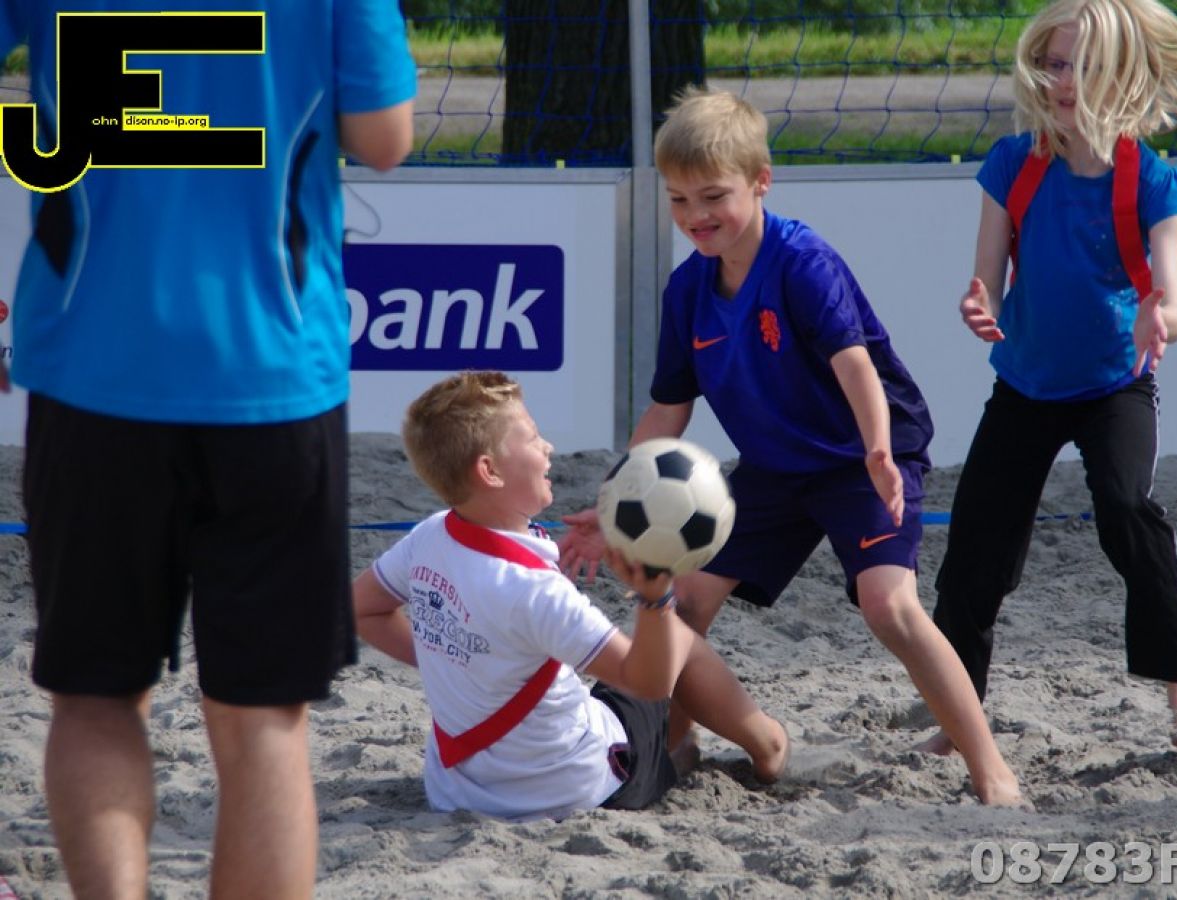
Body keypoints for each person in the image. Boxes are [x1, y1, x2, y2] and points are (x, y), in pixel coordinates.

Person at [1, 2, 415, 898]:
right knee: (262, 718)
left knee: (95, 696)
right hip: (269, 369)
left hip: (95, 366)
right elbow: (383, 137)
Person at [560, 88, 1024, 806]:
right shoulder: (687, 290)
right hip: (776, 470)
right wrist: (617, 500)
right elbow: (668, 407)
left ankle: (989, 767)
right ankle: (673, 745)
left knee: (889, 607)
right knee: (682, 602)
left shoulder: (802, 261)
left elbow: (855, 365)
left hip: (860, 456)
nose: (694, 215)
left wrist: (878, 452)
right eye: (678, 200)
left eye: (712, 196)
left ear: (761, 182)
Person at [919, 0, 1177, 756]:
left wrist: (1159, 321)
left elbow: (1175, 305)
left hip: (1114, 385)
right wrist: (980, 305)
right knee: (974, 545)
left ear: (1125, 75)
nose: (1065, 81)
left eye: (1085, 66)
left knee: (1128, 508)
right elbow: (987, 281)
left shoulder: (1154, 181)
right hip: (1026, 385)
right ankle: (959, 715)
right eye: (1056, 63)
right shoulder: (1013, 164)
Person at [351, 371, 789, 820]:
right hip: (579, 789)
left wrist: (452, 658)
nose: (548, 447)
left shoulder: (429, 538)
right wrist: (655, 600)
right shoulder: (535, 591)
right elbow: (647, 682)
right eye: (533, 437)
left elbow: (362, 609)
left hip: (459, 793)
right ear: (489, 471)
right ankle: (768, 746)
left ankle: (673, 749)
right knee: (677, 637)